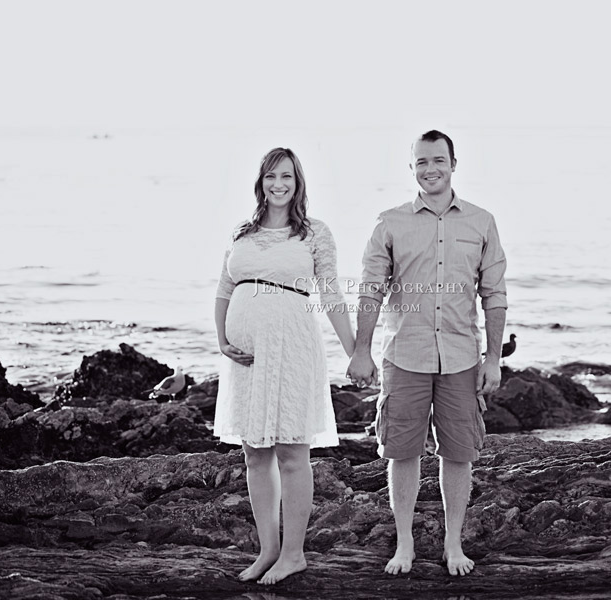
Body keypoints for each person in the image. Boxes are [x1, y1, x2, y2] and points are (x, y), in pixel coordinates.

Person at [347, 130, 507, 577]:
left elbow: (494, 295)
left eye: (438, 160)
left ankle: (453, 544)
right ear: (411, 167)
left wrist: (492, 358)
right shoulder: (390, 222)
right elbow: (370, 291)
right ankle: (404, 545)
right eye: (421, 161)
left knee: (459, 454)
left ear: (454, 163)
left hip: (460, 356)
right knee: (402, 452)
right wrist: (361, 352)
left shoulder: (481, 222)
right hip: (404, 355)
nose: (430, 168)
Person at [214, 147, 354, 585]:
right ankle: (267, 550)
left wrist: (356, 352)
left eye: (288, 177)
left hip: (292, 347)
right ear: (260, 182)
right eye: (272, 176)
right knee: (255, 454)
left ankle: (294, 554)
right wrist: (222, 340)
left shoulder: (313, 232)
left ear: (298, 184)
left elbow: (330, 295)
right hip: (246, 357)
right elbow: (223, 290)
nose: (279, 184)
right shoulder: (242, 232)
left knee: (292, 453)